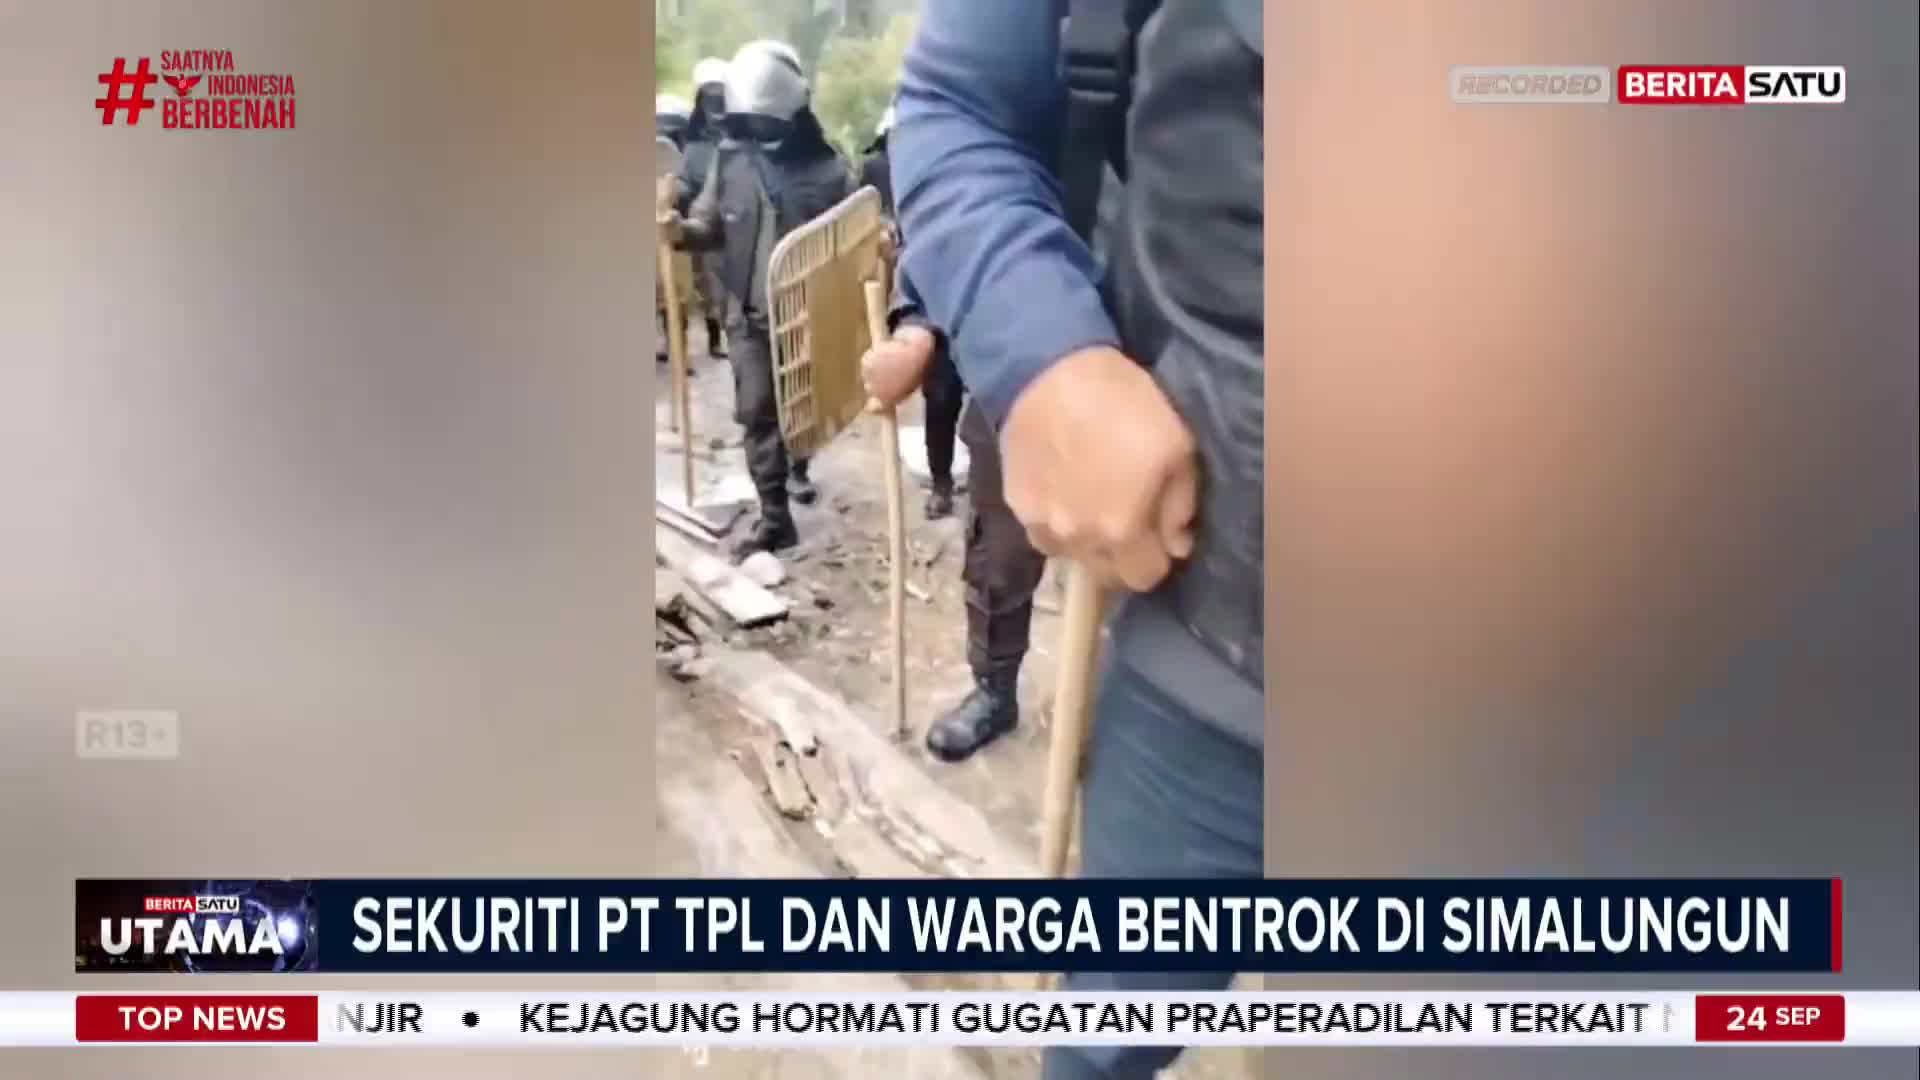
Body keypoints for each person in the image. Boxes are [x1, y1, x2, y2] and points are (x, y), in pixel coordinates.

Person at [890, 2, 1265, 1078]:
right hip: (1214, 632)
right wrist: (1043, 349)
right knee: (1104, 1041)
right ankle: (995, 685)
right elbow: (965, 117)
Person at [662, 39, 853, 560]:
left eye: (772, 124)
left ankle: (798, 466)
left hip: (806, 317)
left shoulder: (832, 174)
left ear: (794, 114)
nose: (762, 133)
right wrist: (680, 230)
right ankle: (775, 518)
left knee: (801, 415)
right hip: (747, 313)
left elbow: (854, 246)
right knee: (755, 413)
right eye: (755, 123)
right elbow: (708, 225)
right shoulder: (730, 163)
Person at [865, 266, 1046, 761]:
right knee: (999, 559)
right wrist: (916, 329)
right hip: (1015, 375)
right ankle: (994, 691)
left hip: (1161, 376)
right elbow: (955, 219)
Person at [861, 104, 962, 521]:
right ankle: (942, 483)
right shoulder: (888, 182)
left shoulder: (963, 176)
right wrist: (913, 325)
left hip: (984, 310)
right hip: (932, 310)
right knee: (940, 400)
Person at [671, 58, 733, 359]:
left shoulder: (740, 143)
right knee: (708, 285)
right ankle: (715, 338)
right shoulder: (693, 147)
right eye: (709, 98)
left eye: (719, 96)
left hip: (739, 222)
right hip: (705, 225)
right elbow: (683, 181)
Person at [654, 94, 692, 366]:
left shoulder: (682, 160)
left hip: (675, 236)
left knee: (676, 300)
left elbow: (688, 193)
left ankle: (678, 351)